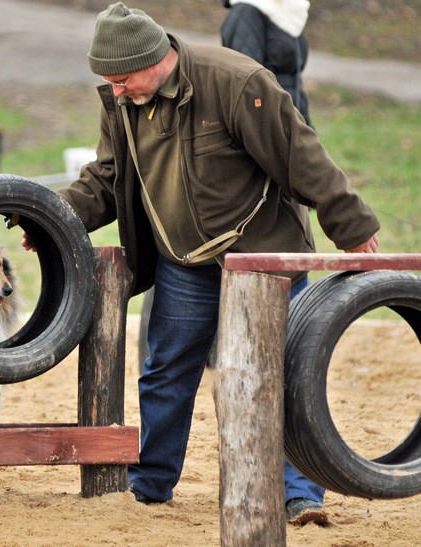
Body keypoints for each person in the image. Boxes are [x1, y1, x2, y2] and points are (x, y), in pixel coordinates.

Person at [22, 2, 379, 525]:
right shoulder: (122, 99)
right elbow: (105, 177)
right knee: (165, 372)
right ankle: (149, 486)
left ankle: (301, 496)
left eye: (121, 79)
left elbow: (300, 156)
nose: (115, 90)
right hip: (184, 261)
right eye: (109, 82)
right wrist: (51, 219)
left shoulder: (236, 82)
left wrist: (353, 228)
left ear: (154, 58)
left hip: (264, 258)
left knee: (283, 373)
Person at [221, 0, 313, 127]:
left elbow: (293, 80)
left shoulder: (291, 13)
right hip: (268, 123)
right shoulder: (246, 13)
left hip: (292, 116)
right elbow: (248, 82)